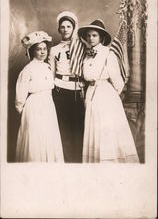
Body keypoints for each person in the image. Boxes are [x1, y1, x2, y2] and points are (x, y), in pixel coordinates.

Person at [78, 19, 140, 163]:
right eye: (88, 36)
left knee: (106, 128)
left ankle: (110, 161)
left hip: (105, 95)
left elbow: (118, 81)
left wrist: (110, 97)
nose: (90, 38)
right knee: (95, 129)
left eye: (94, 35)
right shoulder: (86, 54)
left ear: (101, 37)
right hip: (91, 93)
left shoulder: (108, 53)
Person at [15, 31, 64, 162]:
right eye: (38, 49)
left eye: (44, 49)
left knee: (48, 134)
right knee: (36, 136)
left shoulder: (48, 67)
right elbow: (20, 96)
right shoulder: (27, 70)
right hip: (35, 106)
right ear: (32, 51)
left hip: (48, 104)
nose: (42, 52)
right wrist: (24, 110)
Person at [48, 11, 85, 163]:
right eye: (62, 27)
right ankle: (66, 161)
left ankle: (78, 161)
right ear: (58, 30)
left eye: (69, 26)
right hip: (59, 89)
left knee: (78, 128)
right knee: (63, 128)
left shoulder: (81, 46)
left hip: (76, 89)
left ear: (74, 28)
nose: (65, 29)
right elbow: (51, 71)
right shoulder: (54, 49)